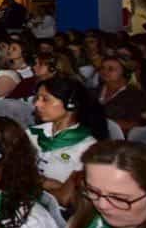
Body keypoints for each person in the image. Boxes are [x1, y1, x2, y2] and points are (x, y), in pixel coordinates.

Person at [30, 76, 108, 208]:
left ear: (70, 104)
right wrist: (50, 184)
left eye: (45, 99)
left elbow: (67, 198)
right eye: (37, 98)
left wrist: (33, 182)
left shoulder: (88, 148)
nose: (37, 104)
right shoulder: (32, 134)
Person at [97, 56, 146, 135]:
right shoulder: (94, 91)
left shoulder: (137, 95)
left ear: (125, 72)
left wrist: (101, 121)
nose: (104, 71)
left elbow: (135, 126)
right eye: (102, 68)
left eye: (111, 69)